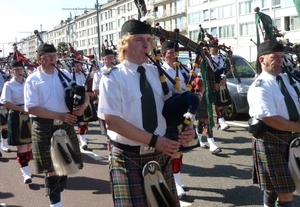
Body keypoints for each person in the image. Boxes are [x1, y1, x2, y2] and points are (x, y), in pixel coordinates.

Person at [98, 19, 195, 207]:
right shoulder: (112, 77)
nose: (146, 45)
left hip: (159, 154)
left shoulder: (155, 73)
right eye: (139, 40)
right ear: (125, 44)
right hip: (128, 156)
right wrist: (154, 140)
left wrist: (189, 125)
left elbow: (179, 103)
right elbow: (112, 121)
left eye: (149, 40)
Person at [24, 43, 86, 207]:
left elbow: (83, 92)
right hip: (44, 126)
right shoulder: (33, 79)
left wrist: (83, 107)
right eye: (48, 56)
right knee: (51, 170)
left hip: (65, 125)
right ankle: (56, 205)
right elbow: (31, 107)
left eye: (54, 56)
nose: (53, 59)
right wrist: (59, 115)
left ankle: (59, 200)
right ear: (40, 59)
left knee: (65, 167)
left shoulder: (64, 74)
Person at [247, 41, 299, 207]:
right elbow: (270, 119)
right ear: (262, 60)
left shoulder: (288, 80)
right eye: (274, 57)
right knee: (285, 190)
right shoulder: (260, 86)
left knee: (275, 186)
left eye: (281, 57)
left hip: (292, 138)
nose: (279, 60)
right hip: (270, 140)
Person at [160, 40, 200, 199]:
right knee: (172, 151)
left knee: (179, 150)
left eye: (174, 52)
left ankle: (176, 181)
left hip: (184, 115)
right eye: (169, 52)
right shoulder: (159, 71)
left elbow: (195, 89)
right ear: (164, 55)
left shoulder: (183, 70)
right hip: (168, 115)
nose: (173, 55)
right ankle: (173, 183)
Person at [0, 60, 33, 183]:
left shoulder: (29, 82)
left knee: (29, 144)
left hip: (30, 113)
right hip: (17, 114)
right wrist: (21, 109)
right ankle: (26, 173)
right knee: (22, 144)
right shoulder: (9, 85)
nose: (19, 71)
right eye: (16, 70)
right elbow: (5, 102)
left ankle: (27, 166)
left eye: (21, 69)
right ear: (12, 71)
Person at [195, 47, 222, 154]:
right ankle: (211, 142)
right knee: (205, 119)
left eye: (206, 49)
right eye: (203, 49)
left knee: (204, 119)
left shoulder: (209, 61)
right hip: (200, 93)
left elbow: (214, 74)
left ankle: (202, 140)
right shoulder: (195, 63)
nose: (205, 51)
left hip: (209, 92)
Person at [208, 40, 231, 131]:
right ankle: (219, 121)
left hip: (222, 82)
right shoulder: (207, 58)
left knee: (221, 103)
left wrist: (225, 77)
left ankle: (221, 120)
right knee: (215, 103)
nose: (216, 50)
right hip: (212, 82)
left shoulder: (223, 57)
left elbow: (230, 69)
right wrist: (213, 83)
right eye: (214, 48)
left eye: (217, 48)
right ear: (210, 48)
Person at [93, 49, 114, 137]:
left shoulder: (120, 70)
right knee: (108, 132)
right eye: (108, 58)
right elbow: (95, 90)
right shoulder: (98, 73)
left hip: (119, 103)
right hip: (105, 103)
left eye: (112, 57)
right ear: (103, 59)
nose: (110, 59)